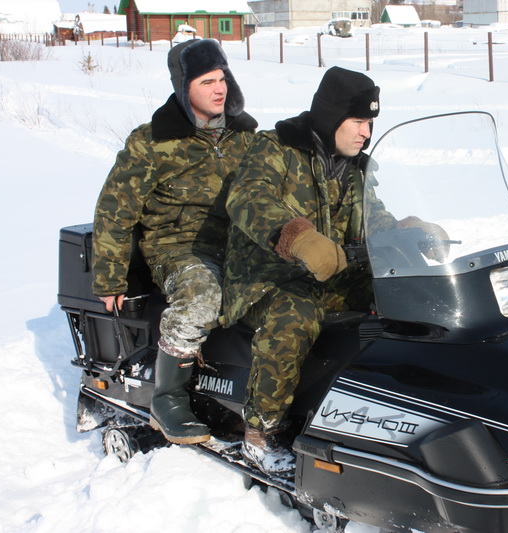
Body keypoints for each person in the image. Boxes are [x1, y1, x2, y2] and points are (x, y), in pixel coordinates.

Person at [222, 67, 398, 476]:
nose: (365, 132)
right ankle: (261, 432)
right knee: (295, 316)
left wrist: (408, 233)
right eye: (358, 121)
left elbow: (374, 216)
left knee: (405, 293)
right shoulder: (275, 149)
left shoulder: (355, 168)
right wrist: (297, 237)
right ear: (332, 115)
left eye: (370, 122)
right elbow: (248, 198)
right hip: (265, 279)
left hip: (330, 276)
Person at [91, 39, 258, 446]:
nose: (219, 89)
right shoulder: (152, 142)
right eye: (206, 82)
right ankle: (168, 398)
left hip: (235, 244)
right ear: (184, 88)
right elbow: (115, 210)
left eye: (222, 79)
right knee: (203, 296)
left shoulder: (245, 136)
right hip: (176, 248)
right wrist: (110, 278)